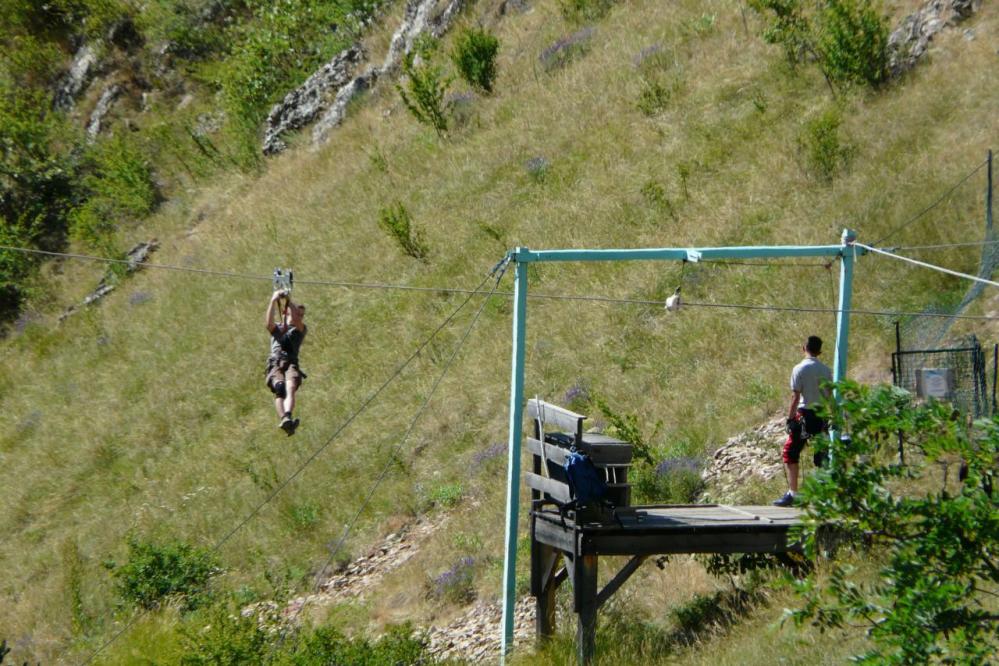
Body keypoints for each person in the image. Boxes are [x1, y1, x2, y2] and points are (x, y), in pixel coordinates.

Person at [773, 335, 832, 507]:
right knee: (822, 454)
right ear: (820, 351)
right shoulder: (826, 370)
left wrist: (790, 419)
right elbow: (829, 395)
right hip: (820, 415)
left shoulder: (799, 368)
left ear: (803, 348)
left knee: (791, 452)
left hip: (804, 415)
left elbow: (795, 396)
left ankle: (793, 493)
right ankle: (824, 495)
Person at [265, 289, 307, 435]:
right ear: (286, 313)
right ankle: (284, 418)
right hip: (276, 361)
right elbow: (268, 323)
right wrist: (273, 300)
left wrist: (288, 301)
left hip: (290, 362)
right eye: (296, 313)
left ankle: (288, 415)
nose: (299, 317)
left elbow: (296, 320)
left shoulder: (300, 330)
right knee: (280, 388)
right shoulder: (277, 328)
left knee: (291, 386)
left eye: (301, 315)